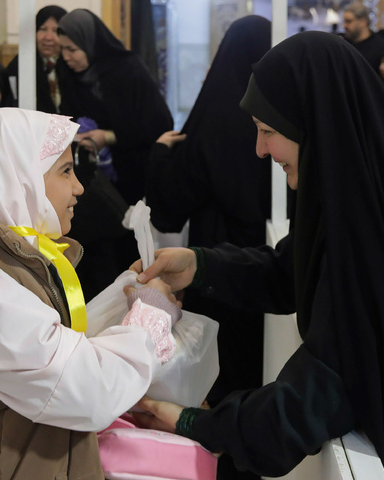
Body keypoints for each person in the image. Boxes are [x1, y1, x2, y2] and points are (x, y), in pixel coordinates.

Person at [131, 31, 384, 480]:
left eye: (268, 132)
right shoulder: (368, 189)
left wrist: (192, 421)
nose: (261, 150)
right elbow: (295, 270)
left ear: (313, 124)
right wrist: (200, 264)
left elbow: (322, 391)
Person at [0, 108, 181, 478]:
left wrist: (119, 297)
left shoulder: (7, 259)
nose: (79, 186)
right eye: (65, 171)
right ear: (16, 180)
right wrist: (150, 318)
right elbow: (86, 390)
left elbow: (47, 344)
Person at [144, 15, 272, 479]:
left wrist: (161, 155)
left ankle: (218, 447)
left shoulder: (219, 108)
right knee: (263, 366)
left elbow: (175, 198)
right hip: (269, 262)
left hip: (215, 263)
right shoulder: (282, 114)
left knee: (221, 367)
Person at [56, 8, 173, 297]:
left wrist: (107, 136)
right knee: (93, 254)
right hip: (87, 178)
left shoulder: (127, 68)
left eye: (72, 49)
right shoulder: (66, 72)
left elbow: (158, 123)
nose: (66, 56)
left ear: (91, 43)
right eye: (63, 50)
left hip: (127, 175)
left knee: (123, 249)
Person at [6, 5, 67, 113]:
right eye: (42, 29)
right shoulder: (19, 66)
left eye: (56, 31)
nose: (48, 37)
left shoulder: (74, 64)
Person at [342, 2, 384, 71]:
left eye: (348, 21)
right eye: (344, 21)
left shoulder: (381, 47)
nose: (344, 26)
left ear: (362, 22)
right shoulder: (344, 44)